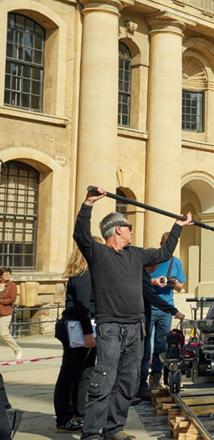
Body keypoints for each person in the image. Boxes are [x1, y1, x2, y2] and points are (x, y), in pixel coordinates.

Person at [73, 185, 190, 440]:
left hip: (136, 327)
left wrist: (178, 227)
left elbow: (163, 253)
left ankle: (114, 429)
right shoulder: (99, 253)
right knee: (104, 380)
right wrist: (88, 204)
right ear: (118, 229)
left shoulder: (136, 255)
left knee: (127, 381)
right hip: (110, 328)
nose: (132, 231)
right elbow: (80, 235)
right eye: (129, 227)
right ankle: (92, 434)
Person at [53, 241, 100, 433]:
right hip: (78, 330)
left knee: (86, 373)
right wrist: (88, 333)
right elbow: (82, 307)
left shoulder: (90, 275)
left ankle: (80, 413)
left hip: (86, 328)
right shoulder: (83, 276)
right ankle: (64, 418)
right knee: (70, 375)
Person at [138, 231, 187, 398]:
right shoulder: (152, 260)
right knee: (145, 346)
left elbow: (181, 288)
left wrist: (174, 284)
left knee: (161, 346)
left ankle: (155, 378)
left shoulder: (176, 262)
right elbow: (141, 280)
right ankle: (141, 380)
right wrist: (154, 281)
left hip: (167, 308)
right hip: (150, 306)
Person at [0, 268, 21, 361]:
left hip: (5, 312)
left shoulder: (12, 286)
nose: (7, 275)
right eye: (5, 274)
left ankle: (17, 349)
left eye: (8, 274)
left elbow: (12, 300)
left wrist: (0, 301)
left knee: (4, 334)